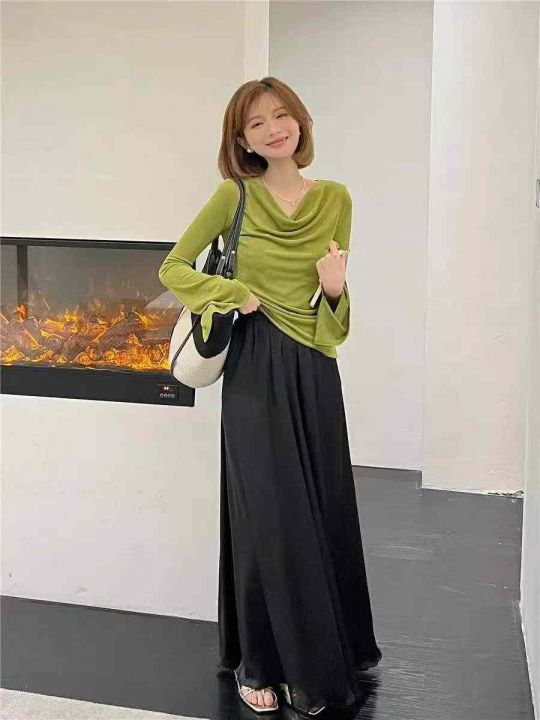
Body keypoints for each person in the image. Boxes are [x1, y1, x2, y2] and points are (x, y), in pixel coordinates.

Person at [158, 76, 382, 715]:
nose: (273, 129)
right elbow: (173, 268)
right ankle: (257, 661)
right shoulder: (233, 196)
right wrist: (233, 294)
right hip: (254, 366)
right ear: (242, 140)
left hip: (314, 366)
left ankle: (325, 651)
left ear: (300, 122)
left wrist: (335, 288)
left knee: (322, 505)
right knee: (266, 515)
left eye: (282, 115)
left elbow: (331, 322)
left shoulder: (335, 198)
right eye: (256, 123)